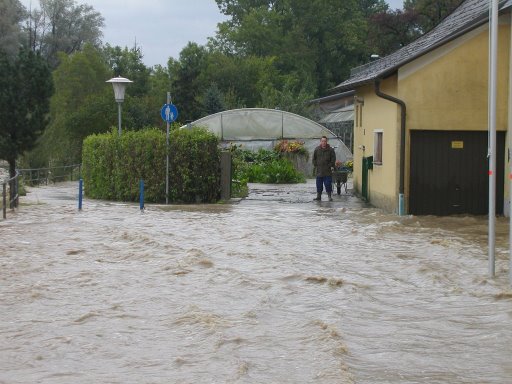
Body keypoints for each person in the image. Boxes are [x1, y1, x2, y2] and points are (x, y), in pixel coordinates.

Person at [312, 136, 336, 201]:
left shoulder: (330, 150)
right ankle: (318, 196)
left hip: (327, 171)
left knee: (328, 184)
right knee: (319, 185)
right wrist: (316, 164)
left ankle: (329, 196)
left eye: (325, 141)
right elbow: (314, 158)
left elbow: (333, 159)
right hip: (319, 171)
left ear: (326, 141)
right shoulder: (317, 149)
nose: (323, 142)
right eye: (322, 141)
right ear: (320, 141)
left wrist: (330, 165)